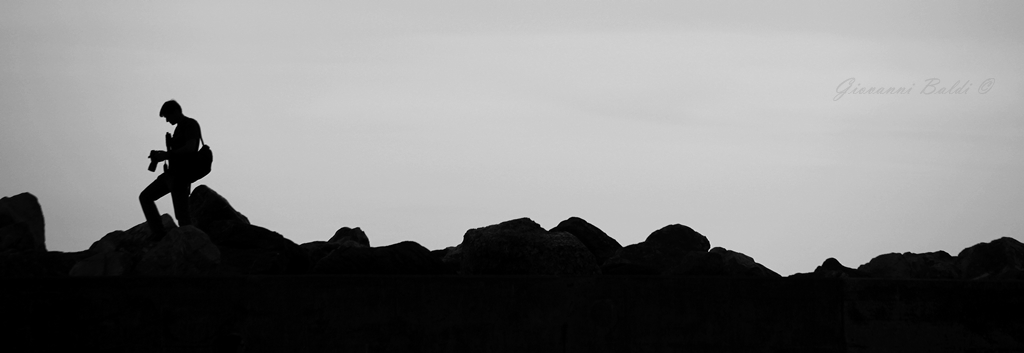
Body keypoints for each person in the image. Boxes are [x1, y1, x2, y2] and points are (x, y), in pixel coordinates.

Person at [139, 100, 203, 240]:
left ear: (175, 111)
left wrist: (166, 155)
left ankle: (192, 246)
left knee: (183, 217)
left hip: (181, 176)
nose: (167, 120)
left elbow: (191, 148)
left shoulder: (190, 124)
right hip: (172, 174)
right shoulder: (179, 128)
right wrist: (161, 154)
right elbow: (178, 151)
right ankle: (159, 233)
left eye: (168, 116)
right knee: (145, 197)